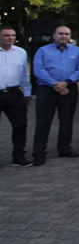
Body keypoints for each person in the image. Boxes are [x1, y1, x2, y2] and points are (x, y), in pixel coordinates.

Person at [31, 25, 79, 165]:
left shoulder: (77, 51)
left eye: (66, 34)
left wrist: (66, 83)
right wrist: (55, 85)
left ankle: (64, 148)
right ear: (54, 35)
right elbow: (38, 70)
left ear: (70, 36)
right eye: (60, 33)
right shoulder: (43, 50)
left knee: (67, 120)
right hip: (46, 89)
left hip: (69, 88)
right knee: (43, 121)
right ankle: (39, 152)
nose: (63, 36)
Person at [0, 25, 33, 167]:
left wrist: (27, 92)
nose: (10, 38)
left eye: (13, 35)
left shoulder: (20, 52)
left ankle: (18, 156)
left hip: (14, 93)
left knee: (20, 125)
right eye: (6, 35)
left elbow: (24, 74)